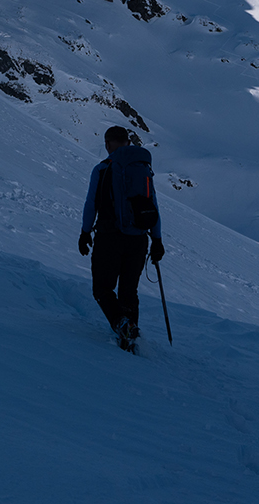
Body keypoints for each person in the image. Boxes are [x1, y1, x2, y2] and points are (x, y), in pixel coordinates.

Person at [78, 125, 165, 351]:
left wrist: (85, 232)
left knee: (102, 289)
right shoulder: (142, 169)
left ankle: (121, 324)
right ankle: (130, 337)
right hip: (138, 240)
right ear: (127, 142)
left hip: (109, 238)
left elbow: (91, 205)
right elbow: (152, 205)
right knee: (129, 291)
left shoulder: (102, 169)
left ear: (108, 144)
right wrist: (157, 240)